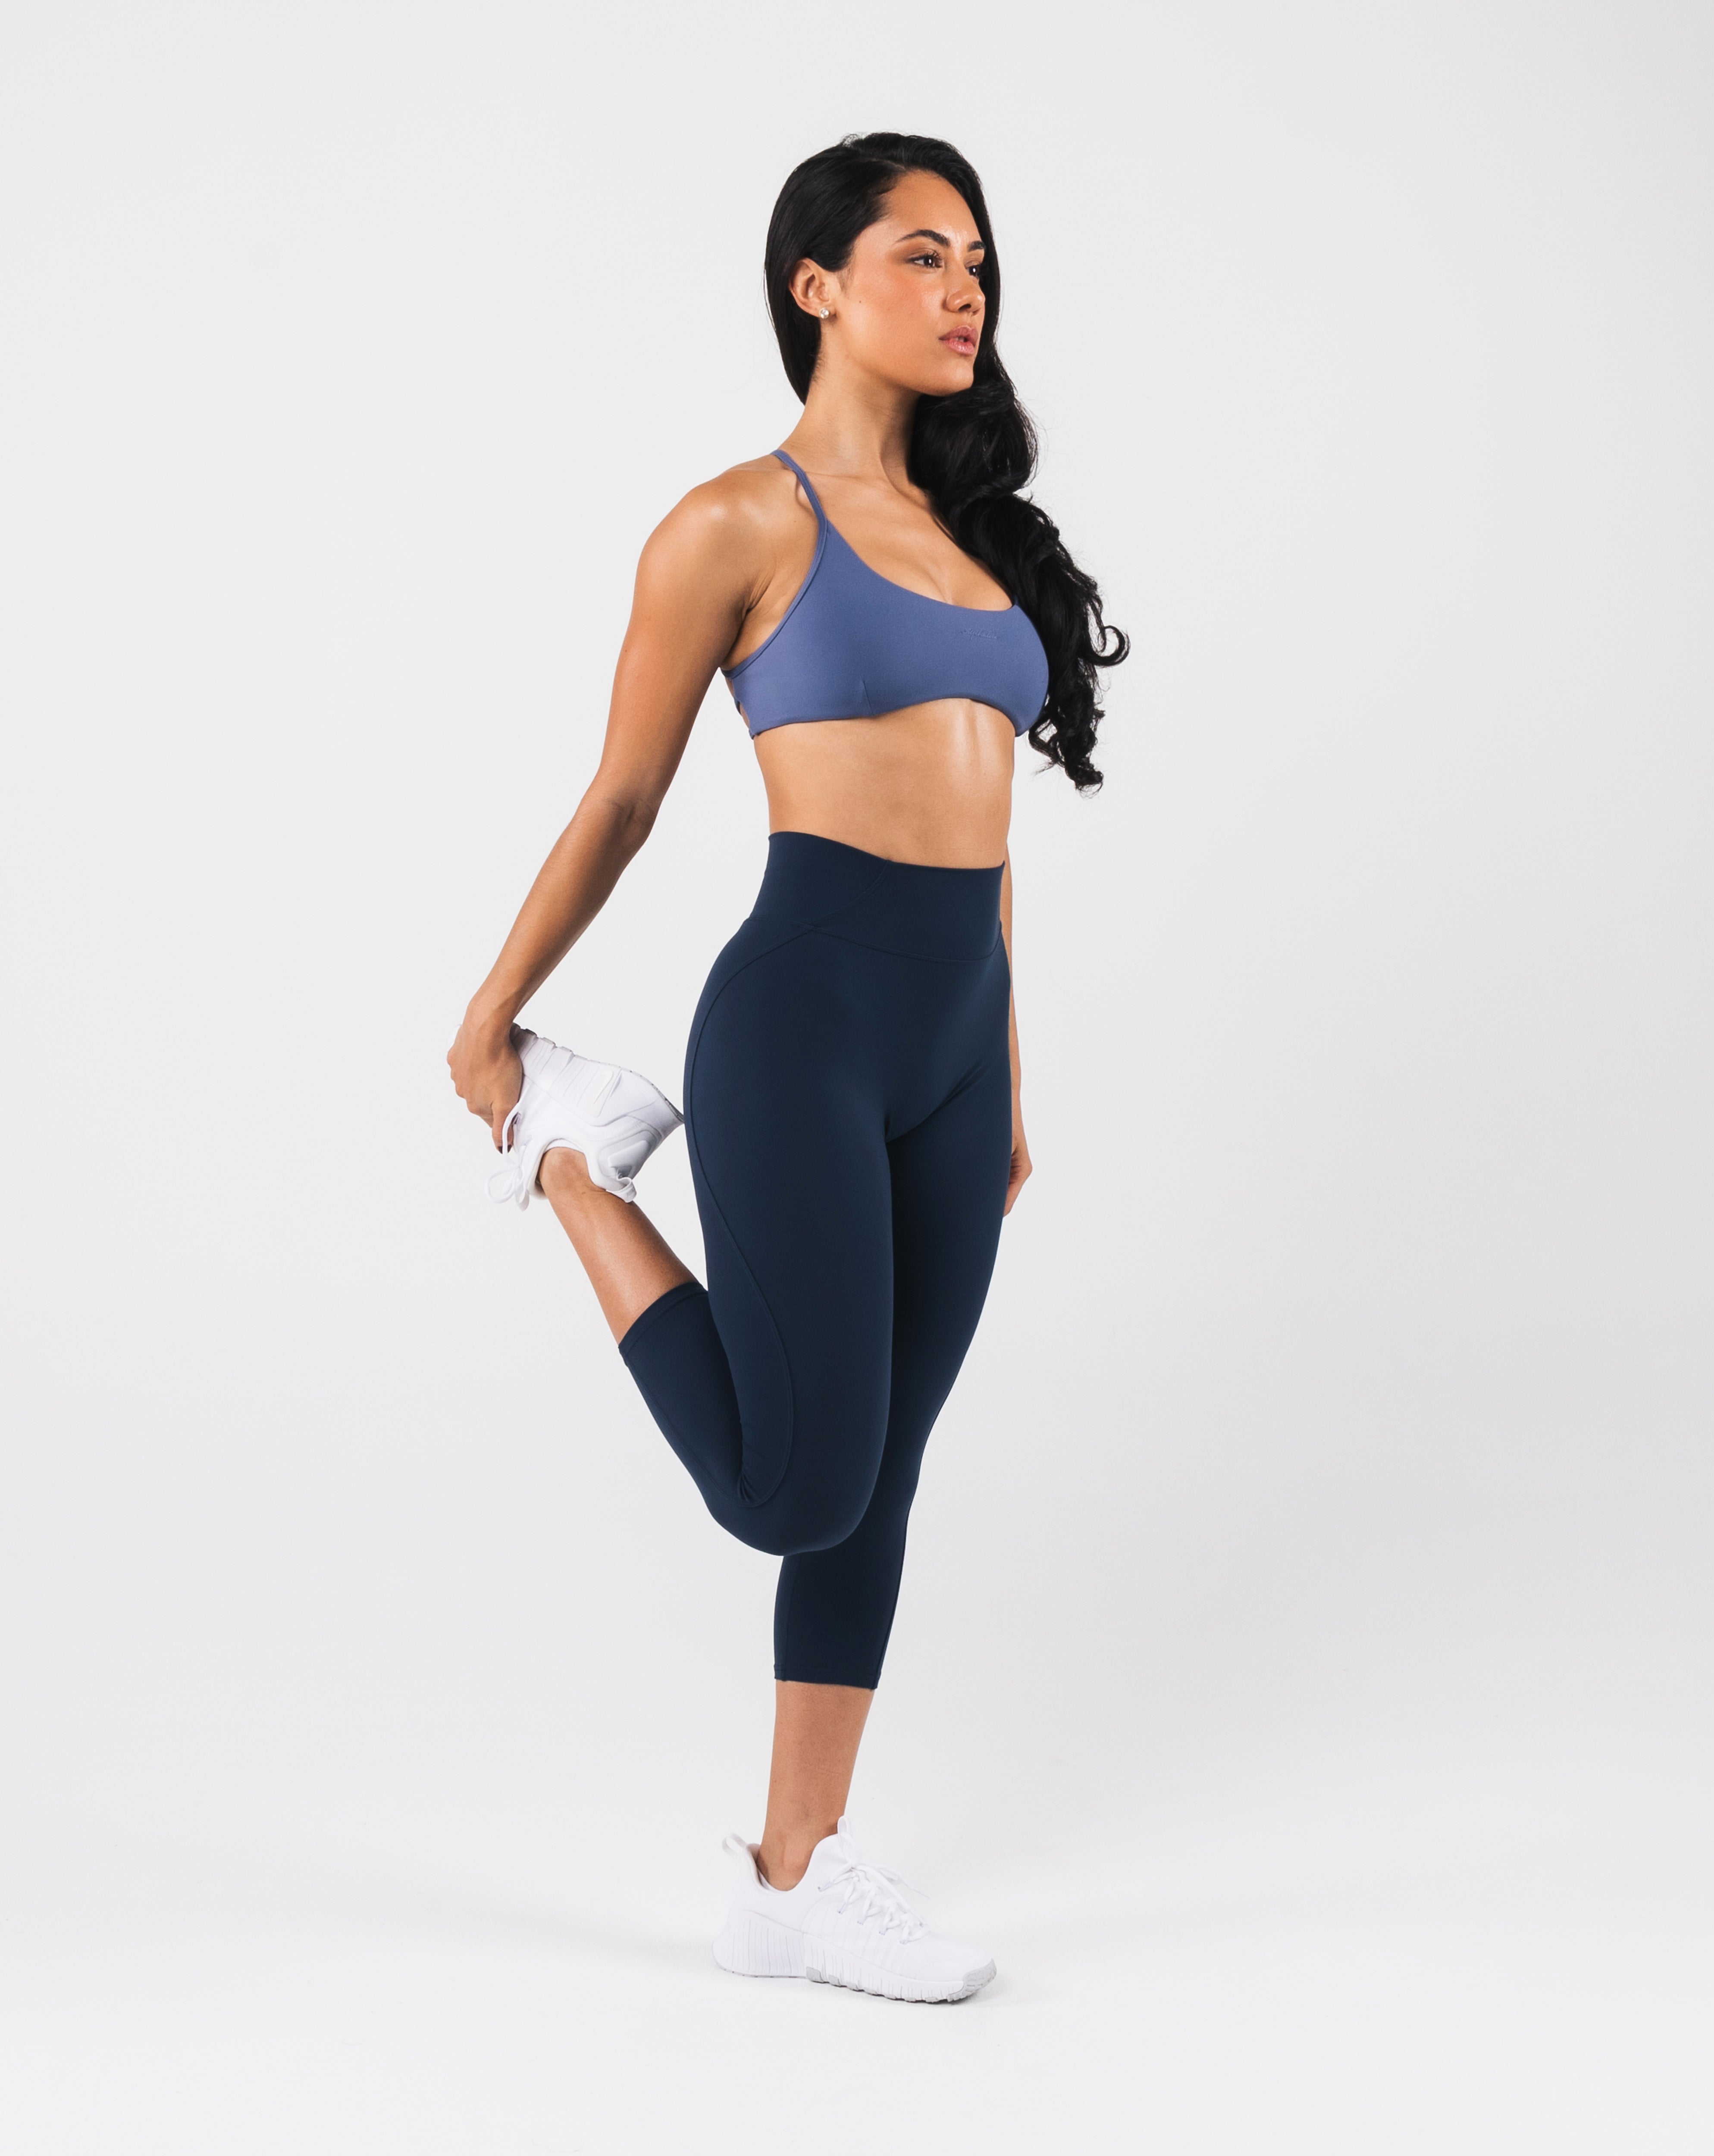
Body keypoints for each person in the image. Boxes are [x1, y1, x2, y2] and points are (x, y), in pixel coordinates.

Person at [446, 132, 1125, 2004]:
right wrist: (496, 1012)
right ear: (816, 284)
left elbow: (992, 840)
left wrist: (1005, 1071)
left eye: (977, 258)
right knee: (788, 1489)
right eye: (921, 254)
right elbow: (625, 794)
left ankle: (793, 1878)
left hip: (951, 1046)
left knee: (879, 1473)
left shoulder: (979, 537)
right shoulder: (735, 525)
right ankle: (575, 1163)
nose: (965, 288)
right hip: (801, 1029)